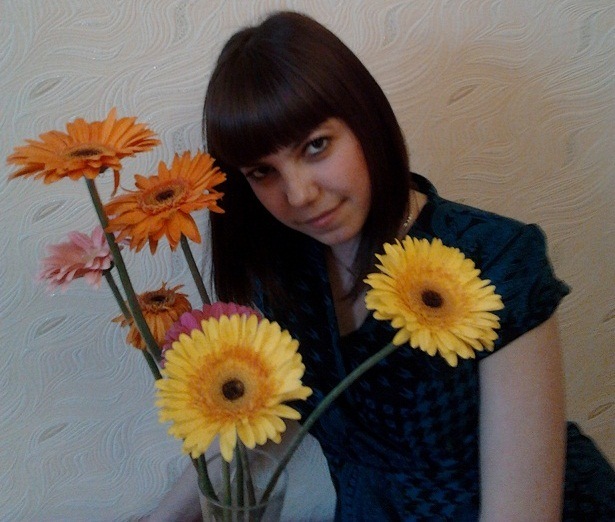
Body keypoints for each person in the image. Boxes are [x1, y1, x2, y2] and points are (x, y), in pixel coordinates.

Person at [145, 10, 615, 521]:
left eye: (316, 146)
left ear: (366, 121)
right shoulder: (286, 274)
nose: (299, 194)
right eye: (263, 171)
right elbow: (250, 423)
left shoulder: (496, 260)